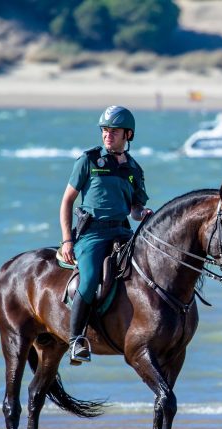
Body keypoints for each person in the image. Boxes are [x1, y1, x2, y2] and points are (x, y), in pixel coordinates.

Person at [59, 105, 153, 365]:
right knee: (89, 281)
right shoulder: (88, 160)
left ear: (128, 135)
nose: (107, 135)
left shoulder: (134, 169)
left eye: (113, 131)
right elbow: (67, 201)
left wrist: (141, 211)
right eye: (104, 130)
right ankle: (75, 340)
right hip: (93, 235)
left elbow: (134, 208)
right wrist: (68, 239)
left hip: (123, 231)